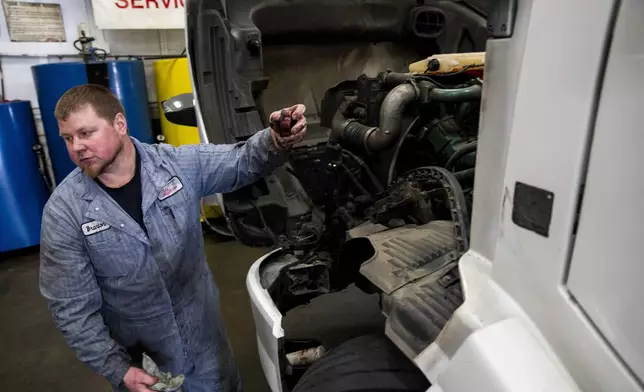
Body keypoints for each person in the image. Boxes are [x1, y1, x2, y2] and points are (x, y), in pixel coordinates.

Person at [38, 84, 307, 392]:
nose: (76, 148)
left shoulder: (174, 166)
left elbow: (242, 161)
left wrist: (275, 139)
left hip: (205, 342)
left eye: (86, 133)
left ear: (120, 124)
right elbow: (71, 307)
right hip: (141, 362)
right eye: (68, 138)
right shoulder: (65, 212)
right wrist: (118, 368)